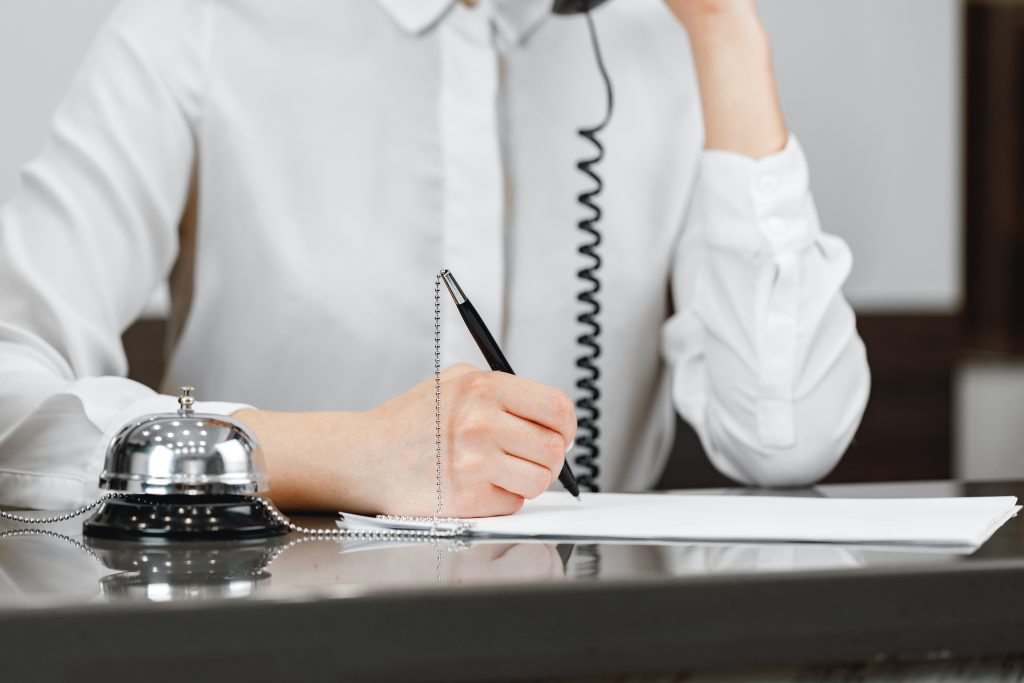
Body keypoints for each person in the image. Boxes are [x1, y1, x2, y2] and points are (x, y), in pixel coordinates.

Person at [0, 0, 870, 517]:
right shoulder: (201, 23)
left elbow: (784, 437)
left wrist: (725, 28)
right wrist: (342, 454)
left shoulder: (655, 39)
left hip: (594, 649)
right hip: (267, 642)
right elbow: (11, 394)